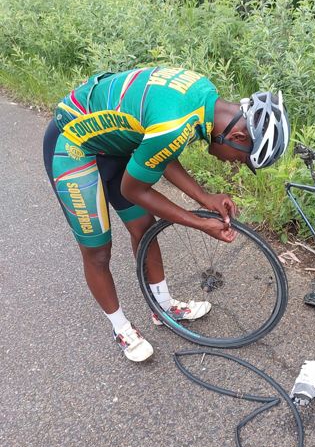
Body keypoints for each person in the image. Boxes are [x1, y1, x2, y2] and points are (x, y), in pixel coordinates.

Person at [43, 66, 290, 362]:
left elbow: (161, 152)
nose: (236, 165)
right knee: (98, 251)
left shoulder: (204, 95)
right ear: (237, 136)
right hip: (72, 145)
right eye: (242, 159)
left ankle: (162, 307)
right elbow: (134, 190)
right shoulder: (176, 123)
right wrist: (199, 223)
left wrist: (205, 197)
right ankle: (121, 328)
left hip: (116, 143)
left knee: (144, 228)